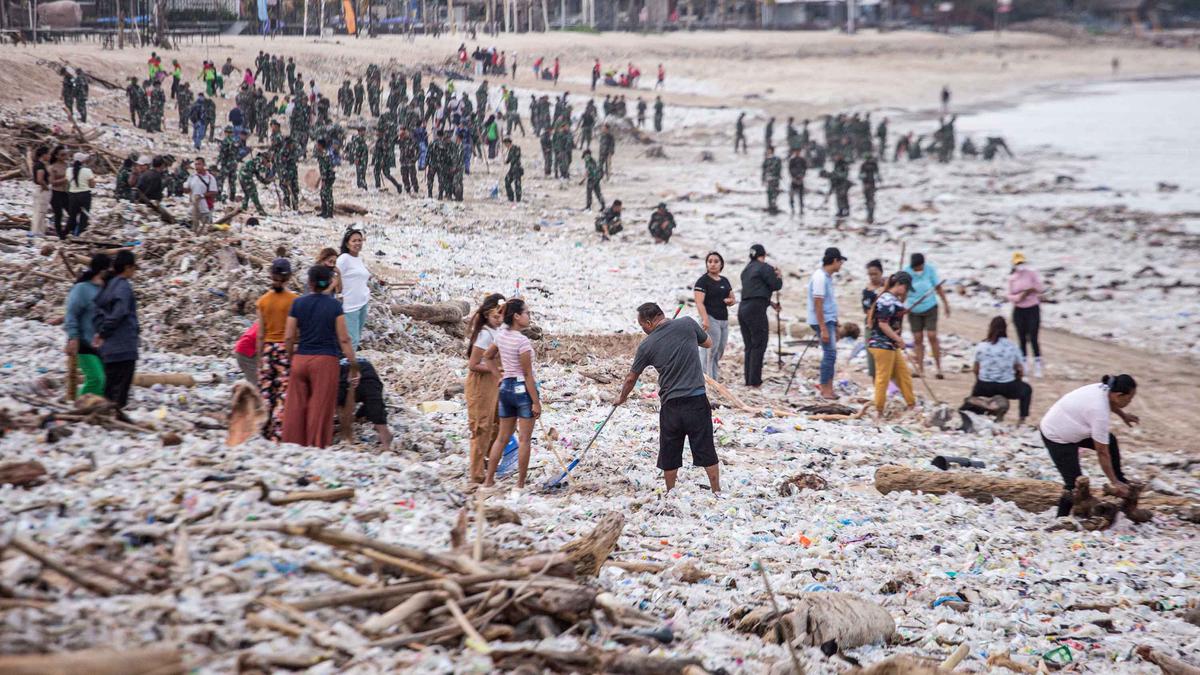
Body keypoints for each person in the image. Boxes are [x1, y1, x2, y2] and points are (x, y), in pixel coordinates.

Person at [615, 303, 721, 494]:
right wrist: (688, 336)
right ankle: (716, 490)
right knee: (705, 447)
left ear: (649, 323)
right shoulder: (687, 323)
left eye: (642, 326)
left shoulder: (646, 346)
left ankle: (670, 491)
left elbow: (631, 377)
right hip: (697, 400)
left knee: (670, 450)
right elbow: (708, 343)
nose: (643, 330)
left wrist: (622, 397)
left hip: (671, 405)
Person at [1040, 375, 1139, 517]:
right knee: (1074, 484)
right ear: (1119, 395)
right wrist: (1113, 482)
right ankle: (1060, 519)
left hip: (1070, 425)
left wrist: (1123, 415)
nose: (1130, 401)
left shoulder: (1105, 389)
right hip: (1056, 436)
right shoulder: (1099, 412)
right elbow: (1102, 452)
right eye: (1130, 398)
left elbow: (1112, 403)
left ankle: (1121, 480)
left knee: (1110, 441)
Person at [282, 265, 359, 449]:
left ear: (310, 283)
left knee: (295, 407)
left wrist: (291, 357)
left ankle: (292, 446)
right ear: (330, 282)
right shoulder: (335, 306)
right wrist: (353, 364)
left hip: (301, 359)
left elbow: (289, 337)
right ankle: (315, 447)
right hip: (325, 362)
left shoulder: (297, 303)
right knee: (320, 408)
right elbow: (344, 339)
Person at [482, 298, 542, 491]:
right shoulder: (522, 342)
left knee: (502, 437)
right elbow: (527, 375)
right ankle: (520, 485)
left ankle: (488, 480)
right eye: (527, 313)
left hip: (506, 388)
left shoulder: (501, 336)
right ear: (516, 316)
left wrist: (498, 376)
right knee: (524, 439)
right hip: (522, 390)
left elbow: (487, 356)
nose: (529, 316)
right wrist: (536, 402)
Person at [465, 293, 506, 484]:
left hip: (495, 383)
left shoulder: (499, 331)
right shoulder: (484, 334)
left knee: (498, 422)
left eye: (501, 316)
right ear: (487, 315)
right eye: (495, 316)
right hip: (481, 384)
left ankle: (488, 460)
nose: (499, 319)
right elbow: (473, 364)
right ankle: (477, 473)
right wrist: (495, 369)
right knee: (481, 427)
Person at [92, 251, 139, 412]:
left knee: (110, 390)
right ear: (127, 267)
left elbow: (97, 312)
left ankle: (104, 419)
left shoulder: (108, 285)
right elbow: (120, 313)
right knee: (119, 397)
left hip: (109, 349)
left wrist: (100, 332)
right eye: (134, 267)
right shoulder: (122, 286)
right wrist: (104, 332)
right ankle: (113, 419)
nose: (134, 271)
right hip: (123, 347)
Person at [257, 258, 298, 440]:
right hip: (284, 349)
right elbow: (295, 332)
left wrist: (260, 357)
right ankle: (277, 436)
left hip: (267, 349)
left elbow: (260, 334)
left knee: (266, 393)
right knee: (283, 394)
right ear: (289, 277)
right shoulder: (294, 301)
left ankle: (262, 433)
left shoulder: (263, 301)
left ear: (270, 275)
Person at [866, 272, 916, 421]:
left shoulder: (892, 298)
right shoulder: (887, 300)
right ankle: (879, 410)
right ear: (900, 285)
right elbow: (882, 323)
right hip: (882, 345)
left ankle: (911, 404)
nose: (906, 292)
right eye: (906, 288)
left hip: (890, 345)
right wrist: (898, 339)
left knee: (903, 374)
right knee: (883, 378)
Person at [969, 316, 1033, 424]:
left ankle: (975, 414)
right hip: (1007, 386)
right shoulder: (1012, 346)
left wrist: (980, 381)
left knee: (974, 396)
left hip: (984, 386)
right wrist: (1017, 379)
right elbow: (1020, 369)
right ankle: (1022, 418)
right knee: (1027, 390)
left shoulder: (982, 346)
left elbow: (975, 369)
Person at [65, 253, 110, 398]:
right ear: (102, 271)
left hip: (102, 345)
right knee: (96, 379)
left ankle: (94, 408)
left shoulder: (106, 290)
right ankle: (77, 407)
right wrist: (73, 337)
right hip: (84, 343)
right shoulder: (82, 289)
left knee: (106, 383)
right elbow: (71, 314)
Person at [739, 244, 782, 387]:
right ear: (763, 255)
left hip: (743, 308)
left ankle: (748, 380)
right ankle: (755, 381)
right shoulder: (765, 267)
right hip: (756, 310)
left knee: (749, 346)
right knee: (759, 344)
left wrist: (770, 303)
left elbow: (754, 291)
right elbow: (776, 285)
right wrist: (779, 276)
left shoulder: (746, 270)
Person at [807, 247, 846, 400]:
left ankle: (829, 387)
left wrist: (836, 323)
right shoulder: (820, 277)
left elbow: (829, 303)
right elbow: (818, 303)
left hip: (828, 320)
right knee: (829, 354)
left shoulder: (826, 277)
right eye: (840, 261)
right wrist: (823, 327)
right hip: (822, 321)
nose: (841, 265)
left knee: (831, 354)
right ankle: (825, 389)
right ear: (835, 261)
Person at [903, 253, 950, 379]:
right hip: (913, 309)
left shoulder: (930, 270)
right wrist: (900, 306)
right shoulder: (906, 272)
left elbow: (938, 287)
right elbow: (903, 290)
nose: (916, 269)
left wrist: (946, 304)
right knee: (917, 338)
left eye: (918, 267)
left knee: (932, 336)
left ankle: (939, 369)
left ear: (922, 265)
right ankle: (920, 369)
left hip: (930, 307)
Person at [337, 358, 393, 452]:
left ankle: (384, 436)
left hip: (355, 370)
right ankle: (384, 435)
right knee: (373, 402)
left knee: (372, 401)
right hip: (356, 370)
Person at [694, 252, 734, 381]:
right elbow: (699, 302)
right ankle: (706, 380)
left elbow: (732, 298)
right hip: (710, 318)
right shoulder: (703, 281)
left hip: (724, 320)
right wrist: (705, 319)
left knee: (719, 351)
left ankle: (714, 379)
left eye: (716, 261)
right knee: (709, 351)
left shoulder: (724, 281)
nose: (712, 264)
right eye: (710, 261)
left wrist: (730, 301)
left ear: (721, 264)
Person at [1007, 251, 1044, 377]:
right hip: (1019, 310)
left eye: (1021, 263)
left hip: (1032, 308)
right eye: (1018, 263)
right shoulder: (1012, 278)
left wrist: (1032, 289)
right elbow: (1009, 295)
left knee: (1033, 337)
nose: (1020, 265)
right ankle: (1024, 365)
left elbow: (1040, 288)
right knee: (1021, 338)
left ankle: (1038, 364)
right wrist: (1020, 296)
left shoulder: (1031, 274)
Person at [337, 229, 370, 349]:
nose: (357, 243)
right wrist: (339, 295)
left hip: (362, 303)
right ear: (347, 244)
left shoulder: (359, 259)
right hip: (349, 305)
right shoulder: (344, 259)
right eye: (354, 241)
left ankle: (350, 359)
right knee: (352, 340)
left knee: (357, 337)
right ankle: (349, 360)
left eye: (359, 240)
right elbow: (335, 276)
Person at [860, 259, 885, 380]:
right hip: (872, 326)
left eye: (875, 274)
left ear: (881, 273)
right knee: (872, 357)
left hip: (887, 326)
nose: (873, 277)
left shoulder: (888, 288)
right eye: (870, 274)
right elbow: (867, 310)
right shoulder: (867, 292)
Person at [66, 153, 96, 238]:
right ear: (83, 161)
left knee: (72, 215)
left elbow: (68, 183)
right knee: (84, 215)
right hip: (84, 195)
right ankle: (80, 233)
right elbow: (92, 185)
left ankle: (71, 232)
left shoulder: (68, 170)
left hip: (72, 195)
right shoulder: (87, 171)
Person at [187, 157, 218, 231]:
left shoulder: (210, 178)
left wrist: (201, 196)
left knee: (206, 229)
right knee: (193, 229)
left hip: (206, 208)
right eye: (195, 164)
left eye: (199, 164)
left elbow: (214, 192)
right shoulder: (192, 177)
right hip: (194, 208)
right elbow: (188, 190)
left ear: (204, 165)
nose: (197, 166)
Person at [48, 146, 70, 239]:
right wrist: (65, 179)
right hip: (55, 192)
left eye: (66, 154)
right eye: (62, 155)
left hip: (66, 192)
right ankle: (59, 233)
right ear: (56, 156)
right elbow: (52, 182)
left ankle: (66, 231)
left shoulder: (67, 165)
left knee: (72, 212)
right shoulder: (52, 167)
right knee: (59, 214)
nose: (65, 156)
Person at [30, 146, 51, 237]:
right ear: (43, 155)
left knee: (38, 211)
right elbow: (40, 179)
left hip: (38, 189)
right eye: (48, 154)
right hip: (41, 190)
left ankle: (37, 231)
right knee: (41, 211)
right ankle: (37, 232)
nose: (49, 156)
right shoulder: (40, 165)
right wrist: (46, 187)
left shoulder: (37, 164)